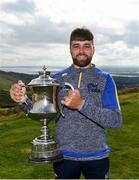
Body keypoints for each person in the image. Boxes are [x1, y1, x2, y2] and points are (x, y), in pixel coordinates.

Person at [10, 27, 122, 179]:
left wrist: (81, 104)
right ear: (70, 49)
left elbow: (115, 121)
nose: (81, 51)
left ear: (93, 49)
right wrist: (22, 100)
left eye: (86, 46)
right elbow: (44, 112)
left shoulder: (105, 79)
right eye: (76, 46)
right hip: (63, 157)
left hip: (97, 157)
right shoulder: (56, 80)